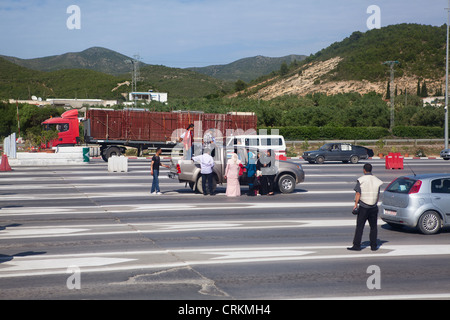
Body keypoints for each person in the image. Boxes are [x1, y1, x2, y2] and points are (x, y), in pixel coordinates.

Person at [348, 163, 384, 251]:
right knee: (373, 227)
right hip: (374, 207)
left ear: (364, 170)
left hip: (364, 207)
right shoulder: (377, 180)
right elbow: (378, 194)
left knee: (360, 227)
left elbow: (358, 193)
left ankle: (356, 246)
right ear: (371, 170)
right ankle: (374, 246)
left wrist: (355, 205)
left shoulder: (361, 180)